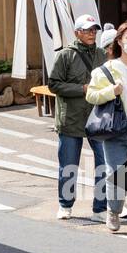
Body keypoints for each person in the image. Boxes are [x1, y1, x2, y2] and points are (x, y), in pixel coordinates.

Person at [86, 21, 127, 234]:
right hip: (115, 130)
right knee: (118, 176)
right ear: (120, 41)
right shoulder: (105, 70)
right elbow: (91, 95)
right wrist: (111, 91)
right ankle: (113, 210)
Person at [48, 14, 108, 221]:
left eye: (94, 30)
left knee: (104, 163)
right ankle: (65, 204)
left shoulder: (102, 54)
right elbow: (53, 84)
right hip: (71, 116)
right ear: (77, 33)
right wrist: (80, 88)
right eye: (87, 30)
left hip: (97, 116)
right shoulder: (65, 55)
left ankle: (100, 208)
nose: (92, 34)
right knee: (68, 164)